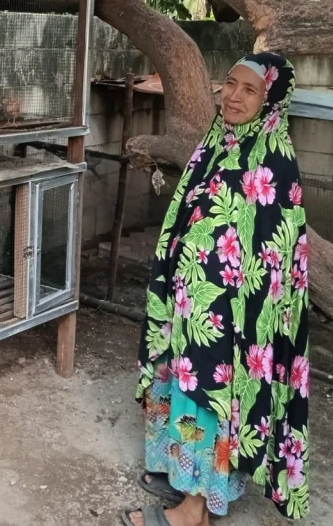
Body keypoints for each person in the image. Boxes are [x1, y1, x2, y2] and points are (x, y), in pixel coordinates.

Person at [122, 53, 309, 526]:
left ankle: (194, 512)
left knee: (211, 402)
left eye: (250, 90)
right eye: (230, 84)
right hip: (192, 308)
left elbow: (271, 262)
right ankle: (183, 477)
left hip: (229, 325)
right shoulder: (219, 142)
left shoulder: (272, 161)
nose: (234, 96)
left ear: (271, 102)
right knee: (183, 391)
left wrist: (230, 320)